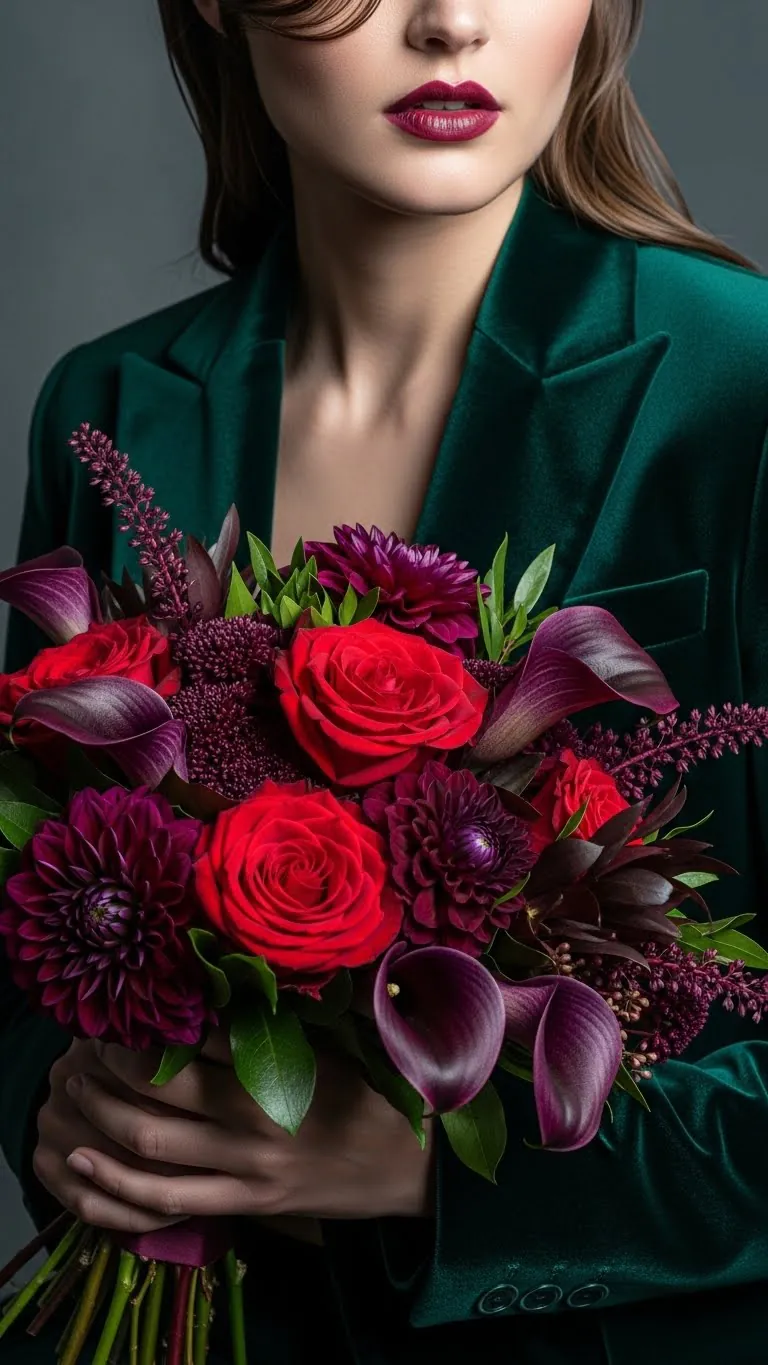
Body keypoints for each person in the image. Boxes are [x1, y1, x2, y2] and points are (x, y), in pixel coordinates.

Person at [1, 1, 767, 1362]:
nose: (451, 22)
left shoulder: (739, 391)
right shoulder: (114, 408)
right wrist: (71, 1112)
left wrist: (443, 1172)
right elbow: (27, 929)